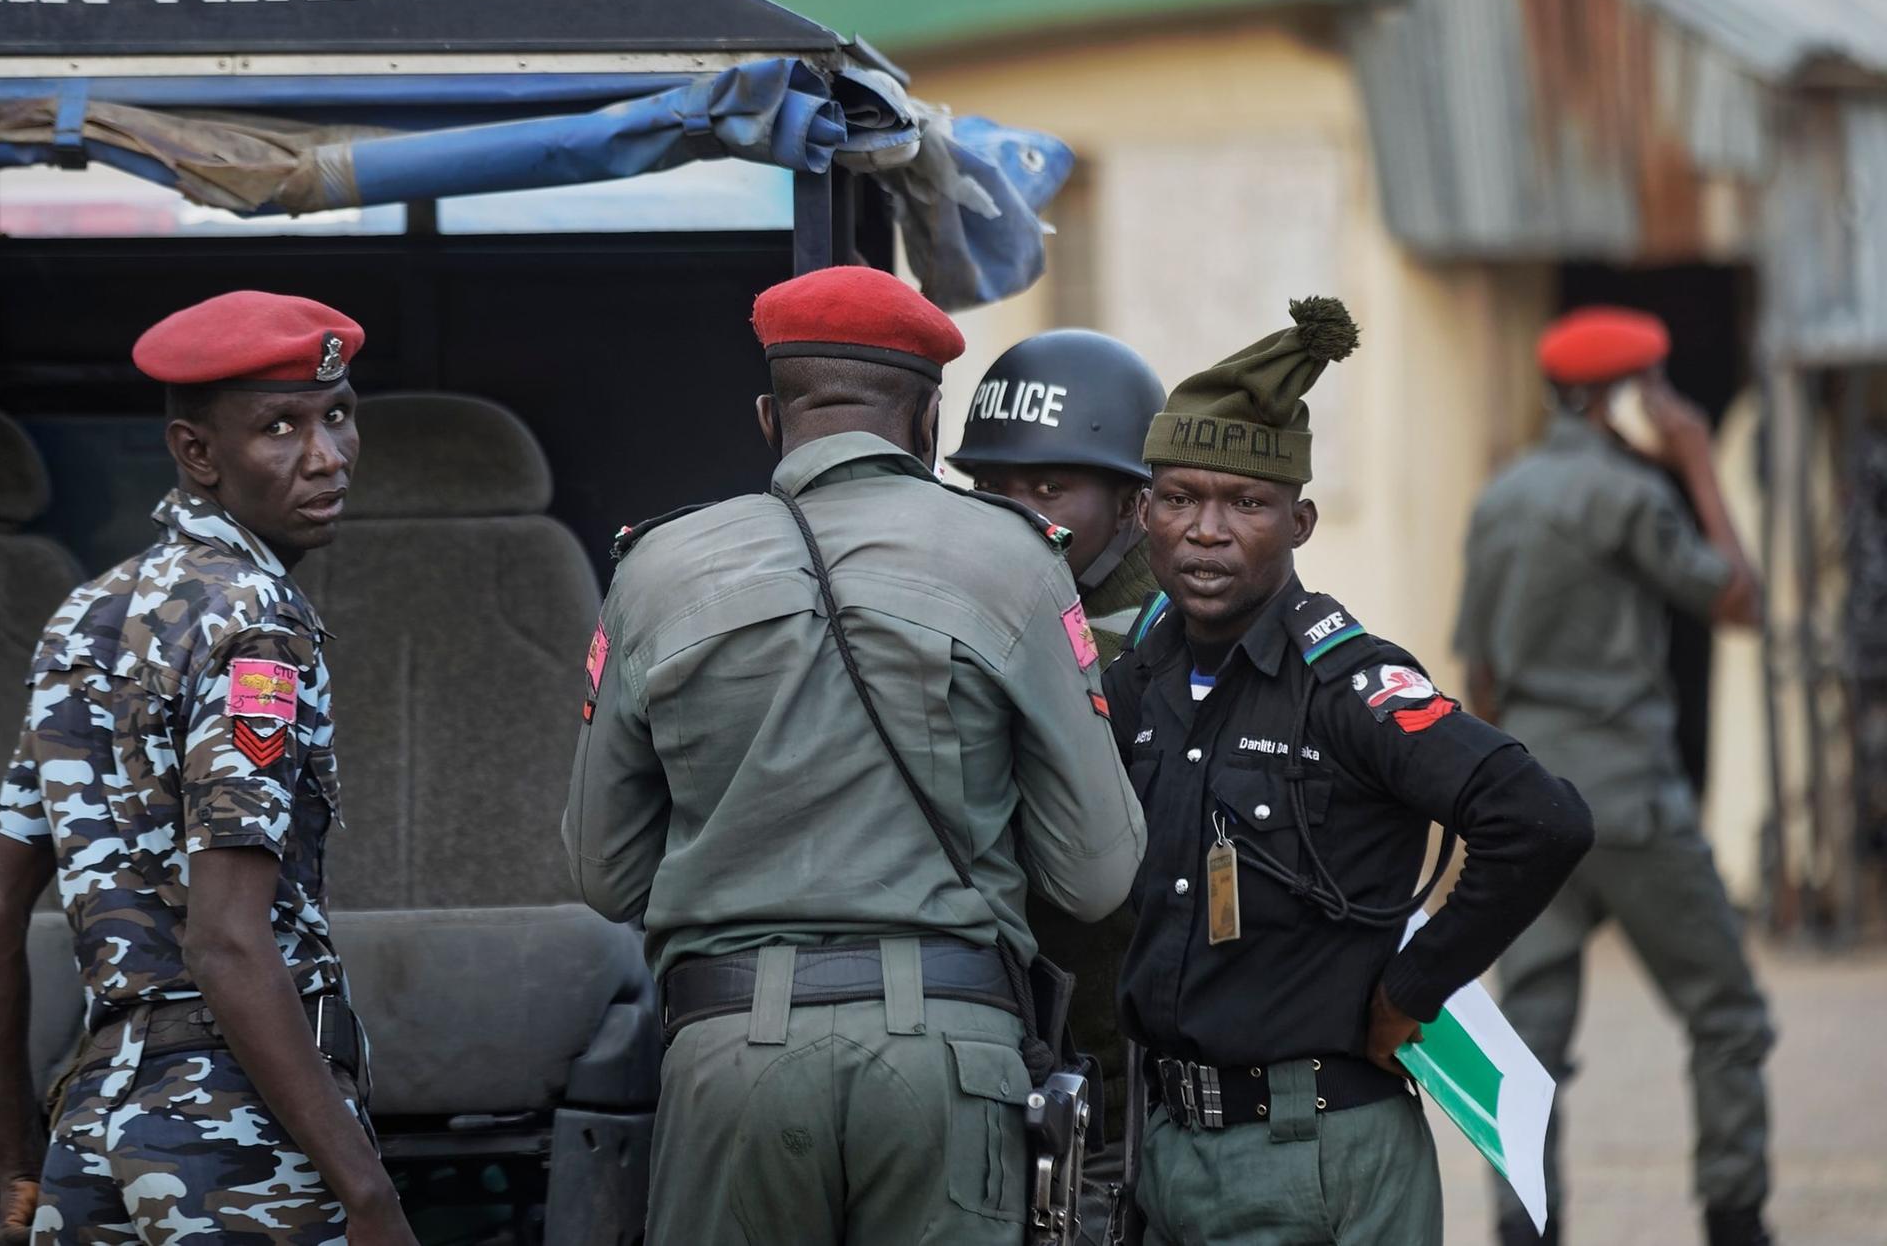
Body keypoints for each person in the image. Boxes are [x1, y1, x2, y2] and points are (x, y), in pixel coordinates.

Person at [563, 264, 1146, 1246]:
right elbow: (1093, 878)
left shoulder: (655, 567)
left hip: (728, 1059)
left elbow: (603, 875)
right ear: (927, 424)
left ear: (767, 416)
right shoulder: (1014, 560)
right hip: (949, 1058)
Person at [1108, 297, 1594, 1246]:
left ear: (1300, 522)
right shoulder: (1137, 677)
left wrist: (1415, 989)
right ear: (1142, 514)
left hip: (1316, 1150)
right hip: (1167, 1149)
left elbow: (1539, 820)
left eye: (1245, 504)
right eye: (1179, 499)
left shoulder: (1350, 684)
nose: (1206, 531)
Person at [0, 291, 420, 1246]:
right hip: (238, 1139)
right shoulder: (257, 627)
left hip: (94, 1130)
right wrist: (368, 1199)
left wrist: (16, 1167)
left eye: (338, 415)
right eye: (279, 428)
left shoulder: (88, 615)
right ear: (198, 453)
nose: (326, 456)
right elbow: (227, 940)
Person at [1456, 307, 1773, 1246]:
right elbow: (1740, 600)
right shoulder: (1632, 493)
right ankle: (1736, 1218)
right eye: (1659, 387)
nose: (1673, 405)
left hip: (1533, 806)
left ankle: (1524, 1232)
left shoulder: (1500, 497)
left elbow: (1478, 677)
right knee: (1727, 1012)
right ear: (1616, 398)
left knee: (1529, 1043)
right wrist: (1700, 461)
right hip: (1631, 800)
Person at [946, 328, 1167, 1226]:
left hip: (1136, 1063)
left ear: (1132, 504)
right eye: (990, 488)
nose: (1014, 513)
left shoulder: (1181, 629)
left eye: (1048, 489)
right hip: (1014, 1046)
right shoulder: (963, 597)